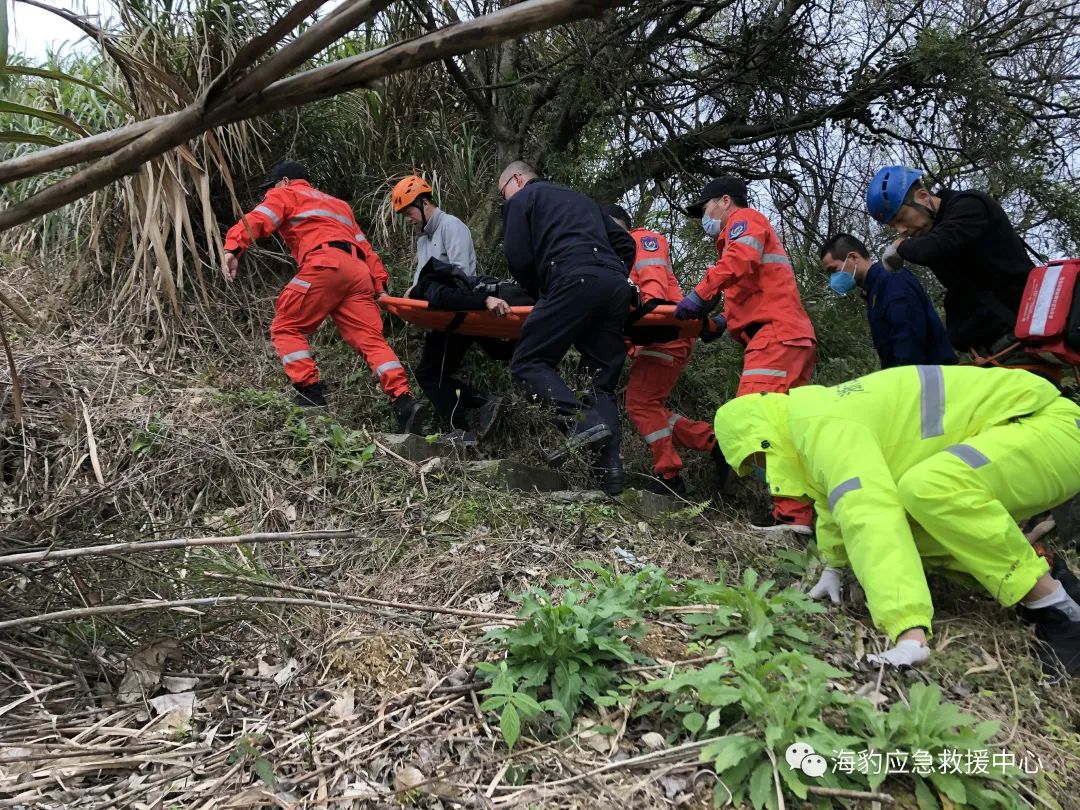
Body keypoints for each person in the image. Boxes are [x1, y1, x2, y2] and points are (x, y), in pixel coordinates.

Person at [712, 364, 1080, 675]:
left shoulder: (823, 426)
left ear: (763, 441)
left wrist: (908, 629)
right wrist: (834, 566)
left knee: (929, 488)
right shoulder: (808, 426)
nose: (760, 474)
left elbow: (869, 514)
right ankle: (1047, 571)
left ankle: (1057, 611)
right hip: (1022, 434)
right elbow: (833, 504)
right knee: (914, 514)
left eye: (754, 463)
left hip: (1049, 428)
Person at [222, 160, 426, 433]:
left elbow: (260, 219)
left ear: (283, 181)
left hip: (325, 264)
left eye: (271, 186)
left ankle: (310, 395)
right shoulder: (339, 205)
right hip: (359, 273)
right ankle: (404, 400)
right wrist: (379, 284)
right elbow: (365, 247)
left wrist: (233, 247)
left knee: (287, 325)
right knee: (371, 340)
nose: (268, 192)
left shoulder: (286, 193)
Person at [675, 176, 817, 534]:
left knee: (755, 421)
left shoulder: (743, 220)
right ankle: (799, 512)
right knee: (785, 427)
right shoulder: (742, 232)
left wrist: (700, 294)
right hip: (784, 337)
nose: (703, 218)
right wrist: (725, 319)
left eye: (705, 208)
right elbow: (757, 285)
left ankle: (791, 515)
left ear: (724, 201)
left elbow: (740, 260)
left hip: (775, 338)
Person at [498, 161, 636, 495]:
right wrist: (614, 273)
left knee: (528, 361)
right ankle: (610, 474)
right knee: (600, 382)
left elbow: (517, 256)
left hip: (572, 276)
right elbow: (627, 245)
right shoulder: (584, 201)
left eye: (504, 193)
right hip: (615, 287)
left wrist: (539, 291)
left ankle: (579, 422)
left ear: (517, 180)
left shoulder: (523, 200)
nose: (505, 200)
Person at [603, 204, 721, 496]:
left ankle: (669, 476)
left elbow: (652, 278)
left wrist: (652, 310)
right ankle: (714, 442)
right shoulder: (616, 257)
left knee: (640, 405)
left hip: (665, 332)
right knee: (650, 408)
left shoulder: (640, 239)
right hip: (658, 335)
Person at [866, 166, 1035, 361]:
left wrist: (900, 248)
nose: (901, 230)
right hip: (987, 352)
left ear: (922, 196)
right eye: (893, 226)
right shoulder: (934, 231)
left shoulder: (970, 206)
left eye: (901, 219)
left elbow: (934, 247)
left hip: (1018, 342)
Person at [391, 175, 510, 445]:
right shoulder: (424, 240)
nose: (408, 219)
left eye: (408, 212)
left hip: (460, 312)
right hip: (442, 317)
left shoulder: (451, 226)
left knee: (429, 374)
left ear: (423, 203)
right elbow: (422, 281)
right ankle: (482, 406)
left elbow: (462, 275)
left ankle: (466, 426)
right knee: (433, 374)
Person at [820, 233, 957, 369]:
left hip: (926, 380)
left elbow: (908, 336)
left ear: (853, 257)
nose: (833, 278)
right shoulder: (874, 291)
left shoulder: (892, 279)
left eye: (834, 270)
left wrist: (903, 381)